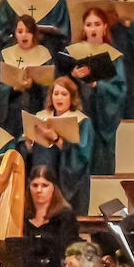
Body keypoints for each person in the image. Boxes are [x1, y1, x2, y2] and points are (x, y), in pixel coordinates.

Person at [64, 6, 127, 175]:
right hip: (79, 111)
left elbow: (119, 90)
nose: (93, 29)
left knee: (100, 160)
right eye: (89, 24)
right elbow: (60, 85)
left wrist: (98, 86)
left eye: (97, 24)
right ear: (84, 28)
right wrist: (73, 76)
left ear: (105, 27)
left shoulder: (113, 56)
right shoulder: (72, 53)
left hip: (102, 114)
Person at [25, 77, 94, 216]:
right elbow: (28, 150)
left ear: (72, 97)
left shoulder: (83, 122)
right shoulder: (41, 117)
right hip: (44, 172)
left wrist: (57, 139)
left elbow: (83, 156)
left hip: (70, 178)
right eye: (56, 94)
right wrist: (29, 142)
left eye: (64, 94)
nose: (59, 98)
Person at [21, 165, 80, 267]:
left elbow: (63, 253)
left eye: (44, 185)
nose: (39, 190)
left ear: (53, 188)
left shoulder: (65, 216)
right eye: (35, 185)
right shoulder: (20, 215)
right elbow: (12, 250)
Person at [0, 14, 53, 143]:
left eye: (28, 32)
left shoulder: (44, 55)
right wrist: (13, 88)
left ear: (34, 34)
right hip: (10, 111)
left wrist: (33, 86)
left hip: (34, 107)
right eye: (20, 31)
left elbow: (50, 88)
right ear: (15, 34)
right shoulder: (5, 54)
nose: (24, 35)